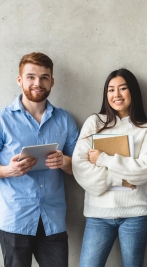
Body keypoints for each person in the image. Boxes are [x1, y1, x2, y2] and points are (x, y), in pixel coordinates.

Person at [72, 68, 147, 267]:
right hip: (98, 215)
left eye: (122, 88)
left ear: (133, 92)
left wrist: (104, 159)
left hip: (136, 214)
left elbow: (144, 170)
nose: (116, 95)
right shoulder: (94, 123)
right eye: (111, 90)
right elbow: (79, 166)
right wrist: (120, 180)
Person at [0, 52, 79, 267]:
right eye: (31, 76)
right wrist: (8, 170)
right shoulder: (2, 119)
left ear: (52, 81)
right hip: (16, 218)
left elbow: (81, 166)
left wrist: (64, 162)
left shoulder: (65, 120)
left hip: (52, 219)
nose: (38, 83)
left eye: (44, 77)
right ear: (20, 80)